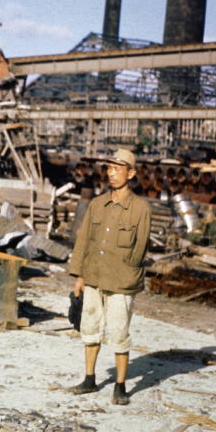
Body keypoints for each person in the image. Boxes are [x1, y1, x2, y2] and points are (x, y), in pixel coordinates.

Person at [67, 148, 151, 405]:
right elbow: (83, 241)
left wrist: (127, 274)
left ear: (132, 173)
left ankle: (120, 386)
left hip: (121, 282)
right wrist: (79, 276)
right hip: (93, 277)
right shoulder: (97, 204)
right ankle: (90, 379)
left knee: (119, 333)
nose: (112, 174)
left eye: (118, 169)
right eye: (110, 169)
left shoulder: (140, 208)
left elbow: (140, 249)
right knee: (89, 329)